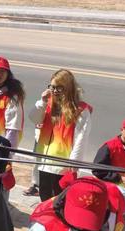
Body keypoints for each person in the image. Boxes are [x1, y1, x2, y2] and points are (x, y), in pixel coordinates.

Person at [30, 69, 92, 201]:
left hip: (62, 166)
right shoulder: (47, 104)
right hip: (44, 162)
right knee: (44, 199)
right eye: (52, 87)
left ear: (69, 88)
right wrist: (42, 102)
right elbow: (34, 118)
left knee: (59, 202)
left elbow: (81, 139)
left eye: (59, 87)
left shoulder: (80, 110)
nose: (55, 91)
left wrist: (73, 164)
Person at [93, 117, 125, 187]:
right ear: (122, 130)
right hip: (108, 187)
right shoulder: (109, 146)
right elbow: (97, 170)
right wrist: (121, 179)